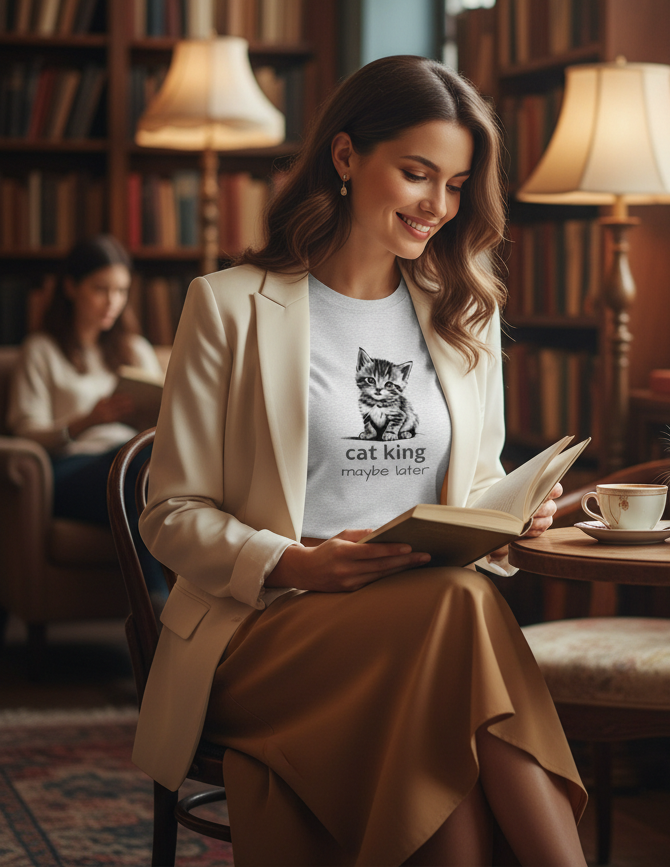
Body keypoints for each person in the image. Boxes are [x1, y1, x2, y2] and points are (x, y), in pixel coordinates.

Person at [132, 55, 588, 866]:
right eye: (417, 175)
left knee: (449, 625)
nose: (437, 206)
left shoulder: (465, 316)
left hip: (422, 631)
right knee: (458, 609)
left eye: (455, 185)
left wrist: (511, 514)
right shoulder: (229, 305)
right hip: (268, 632)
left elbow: (476, 483)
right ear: (345, 158)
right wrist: (297, 564)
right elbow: (170, 514)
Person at [7, 235, 167, 594]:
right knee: (139, 470)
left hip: (133, 460)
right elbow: (24, 431)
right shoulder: (41, 351)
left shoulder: (135, 348)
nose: (113, 302)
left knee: (153, 465)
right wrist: (87, 421)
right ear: (71, 286)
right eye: (101, 289)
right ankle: (161, 606)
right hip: (70, 470)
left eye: (121, 291)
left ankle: (162, 608)